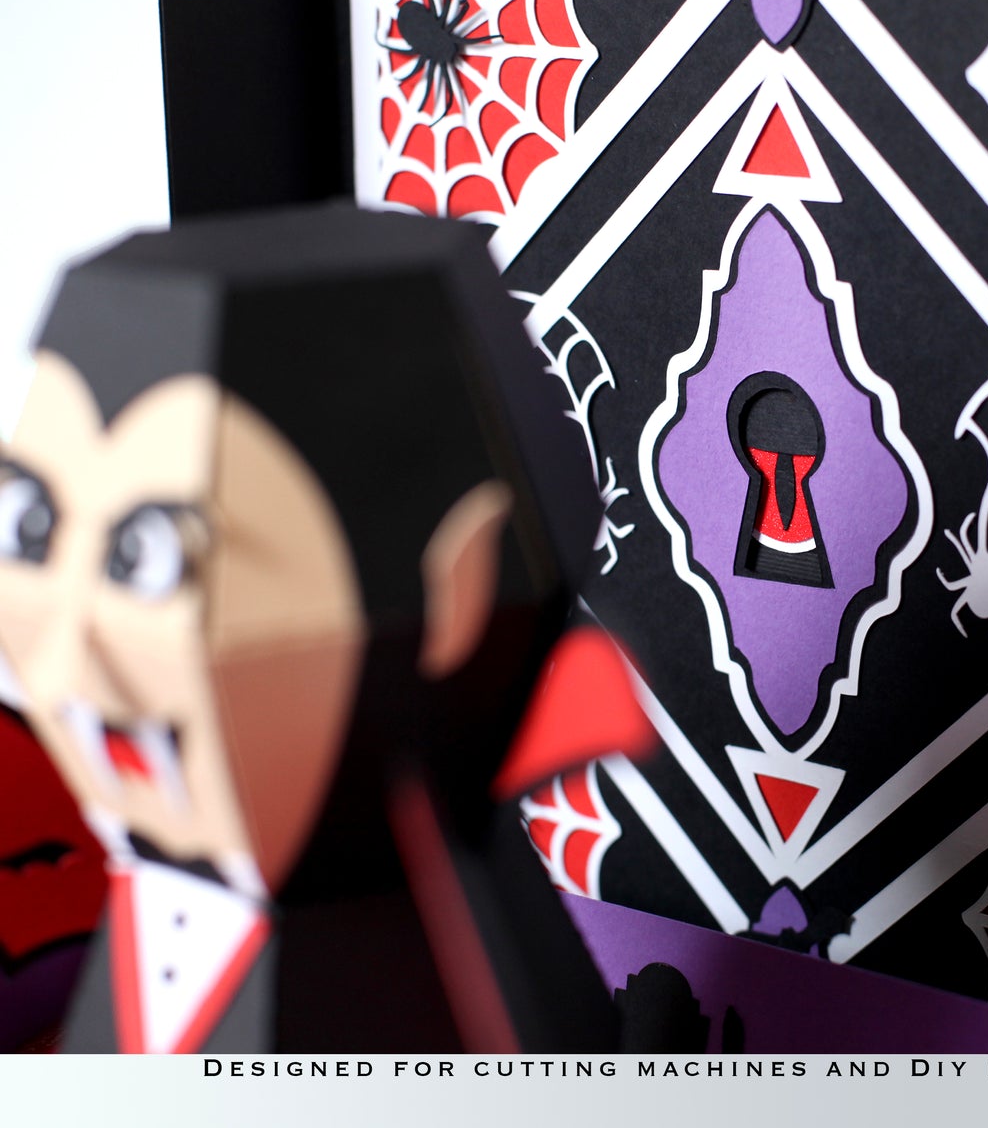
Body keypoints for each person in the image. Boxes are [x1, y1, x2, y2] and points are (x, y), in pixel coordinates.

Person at [0, 203, 620, 1052]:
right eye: (30, 531)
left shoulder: (436, 965)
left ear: (458, 594)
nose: (68, 646)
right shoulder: (132, 915)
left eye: (149, 559)